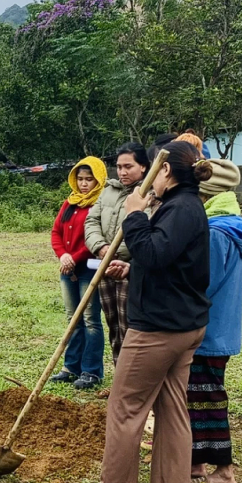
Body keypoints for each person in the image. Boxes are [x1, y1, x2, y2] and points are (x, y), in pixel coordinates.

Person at [57, 140, 212, 483]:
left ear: (166, 172)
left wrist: (134, 215)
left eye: (155, 171)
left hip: (158, 328)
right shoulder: (188, 207)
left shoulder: (178, 208)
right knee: (172, 405)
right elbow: (166, 261)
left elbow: (153, 251)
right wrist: (133, 269)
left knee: (124, 405)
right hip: (184, 325)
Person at [190, 159, 242, 483]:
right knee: (194, 397)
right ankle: (195, 461)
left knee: (208, 398)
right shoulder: (225, 224)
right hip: (213, 328)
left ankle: (225, 470)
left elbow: (204, 282)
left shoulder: (216, 232)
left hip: (210, 330)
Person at [83, 143, 149, 368]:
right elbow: (91, 221)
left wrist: (119, 256)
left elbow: (145, 230)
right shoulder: (109, 191)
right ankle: (118, 377)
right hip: (105, 268)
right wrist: (100, 247)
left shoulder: (148, 194)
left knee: (130, 326)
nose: (122, 172)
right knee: (113, 324)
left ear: (143, 166)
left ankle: (132, 380)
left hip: (130, 270)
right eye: (119, 167)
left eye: (128, 166)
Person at [48, 157, 107, 389]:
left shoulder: (100, 204)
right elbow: (56, 232)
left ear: (98, 180)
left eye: (88, 179)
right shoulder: (69, 203)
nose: (83, 184)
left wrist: (74, 257)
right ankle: (71, 367)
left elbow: (96, 236)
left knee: (91, 319)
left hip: (88, 268)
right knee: (72, 319)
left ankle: (92, 371)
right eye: (80, 179)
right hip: (67, 268)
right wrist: (63, 255)